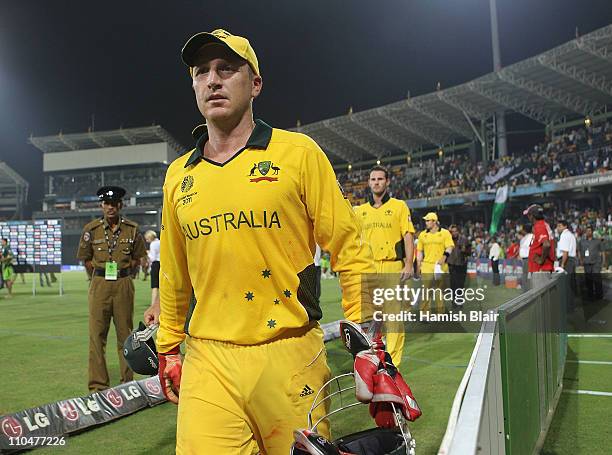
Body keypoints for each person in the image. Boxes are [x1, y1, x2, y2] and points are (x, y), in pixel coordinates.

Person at [157, 29, 375, 454]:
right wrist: (168, 348)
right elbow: (174, 272)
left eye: (226, 69)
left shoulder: (298, 153)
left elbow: (349, 245)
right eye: (202, 72)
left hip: (291, 356)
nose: (213, 80)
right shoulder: (178, 176)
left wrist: (368, 336)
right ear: (194, 86)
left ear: (255, 83)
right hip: (208, 358)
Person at [76, 186, 146, 392]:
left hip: (123, 284)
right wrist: (98, 277)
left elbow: (137, 258)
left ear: (120, 205)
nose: (110, 207)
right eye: (107, 203)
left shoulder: (132, 229)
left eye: (114, 203)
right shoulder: (91, 229)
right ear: (101, 205)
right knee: (97, 335)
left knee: (126, 334)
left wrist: (124, 276)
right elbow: (86, 259)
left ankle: (127, 383)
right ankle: (98, 385)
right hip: (100, 285)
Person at [354, 165, 415, 366]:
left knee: (393, 318)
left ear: (387, 182)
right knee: (372, 319)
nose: (376, 182)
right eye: (373, 179)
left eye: (380, 179)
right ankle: (374, 360)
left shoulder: (399, 206)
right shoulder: (359, 211)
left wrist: (409, 263)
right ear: (369, 183)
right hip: (368, 268)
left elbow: (408, 235)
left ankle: (393, 365)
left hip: (391, 267)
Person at [416, 212, 454, 313]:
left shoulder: (445, 233)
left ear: (434, 221)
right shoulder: (422, 235)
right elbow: (419, 251)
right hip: (427, 265)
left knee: (439, 290)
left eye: (428, 220)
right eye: (426, 221)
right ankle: (424, 313)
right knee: (426, 290)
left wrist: (445, 256)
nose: (426, 223)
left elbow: (450, 246)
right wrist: (418, 265)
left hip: (440, 265)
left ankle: (440, 313)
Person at [523, 204, 555, 274]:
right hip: (544, 267)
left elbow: (546, 244)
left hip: (540, 269)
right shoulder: (544, 224)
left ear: (532, 216)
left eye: (528, 215)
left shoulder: (539, 226)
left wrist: (541, 260)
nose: (528, 217)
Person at [447, 225, 470, 307]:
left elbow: (469, 251)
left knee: (461, 284)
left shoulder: (464, 239)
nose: (454, 233)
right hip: (452, 265)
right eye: (452, 231)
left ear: (458, 231)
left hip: (461, 264)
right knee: (453, 284)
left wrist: (465, 251)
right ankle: (454, 302)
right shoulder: (448, 239)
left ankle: (460, 302)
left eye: (455, 231)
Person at [579, 226, 604, 300]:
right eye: (587, 231)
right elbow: (579, 251)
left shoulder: (597, 241)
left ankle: (599, 295)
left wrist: (603, 262)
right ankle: (590, 295)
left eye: (589, 231)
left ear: (592, 232)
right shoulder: (582, 241)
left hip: (596, 263)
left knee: (597, 279)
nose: (588, 232)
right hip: (587, 263)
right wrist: (580, 259)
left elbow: (602, 251)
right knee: (588, 280)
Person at [143, 230, 161, 326]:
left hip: (155, 264)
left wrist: (147, 254)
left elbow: (152, 257)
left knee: (154, 286)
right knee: (162, 285)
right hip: (163, 264)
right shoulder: (160, 242)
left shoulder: (153, 244)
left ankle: (153, 304)